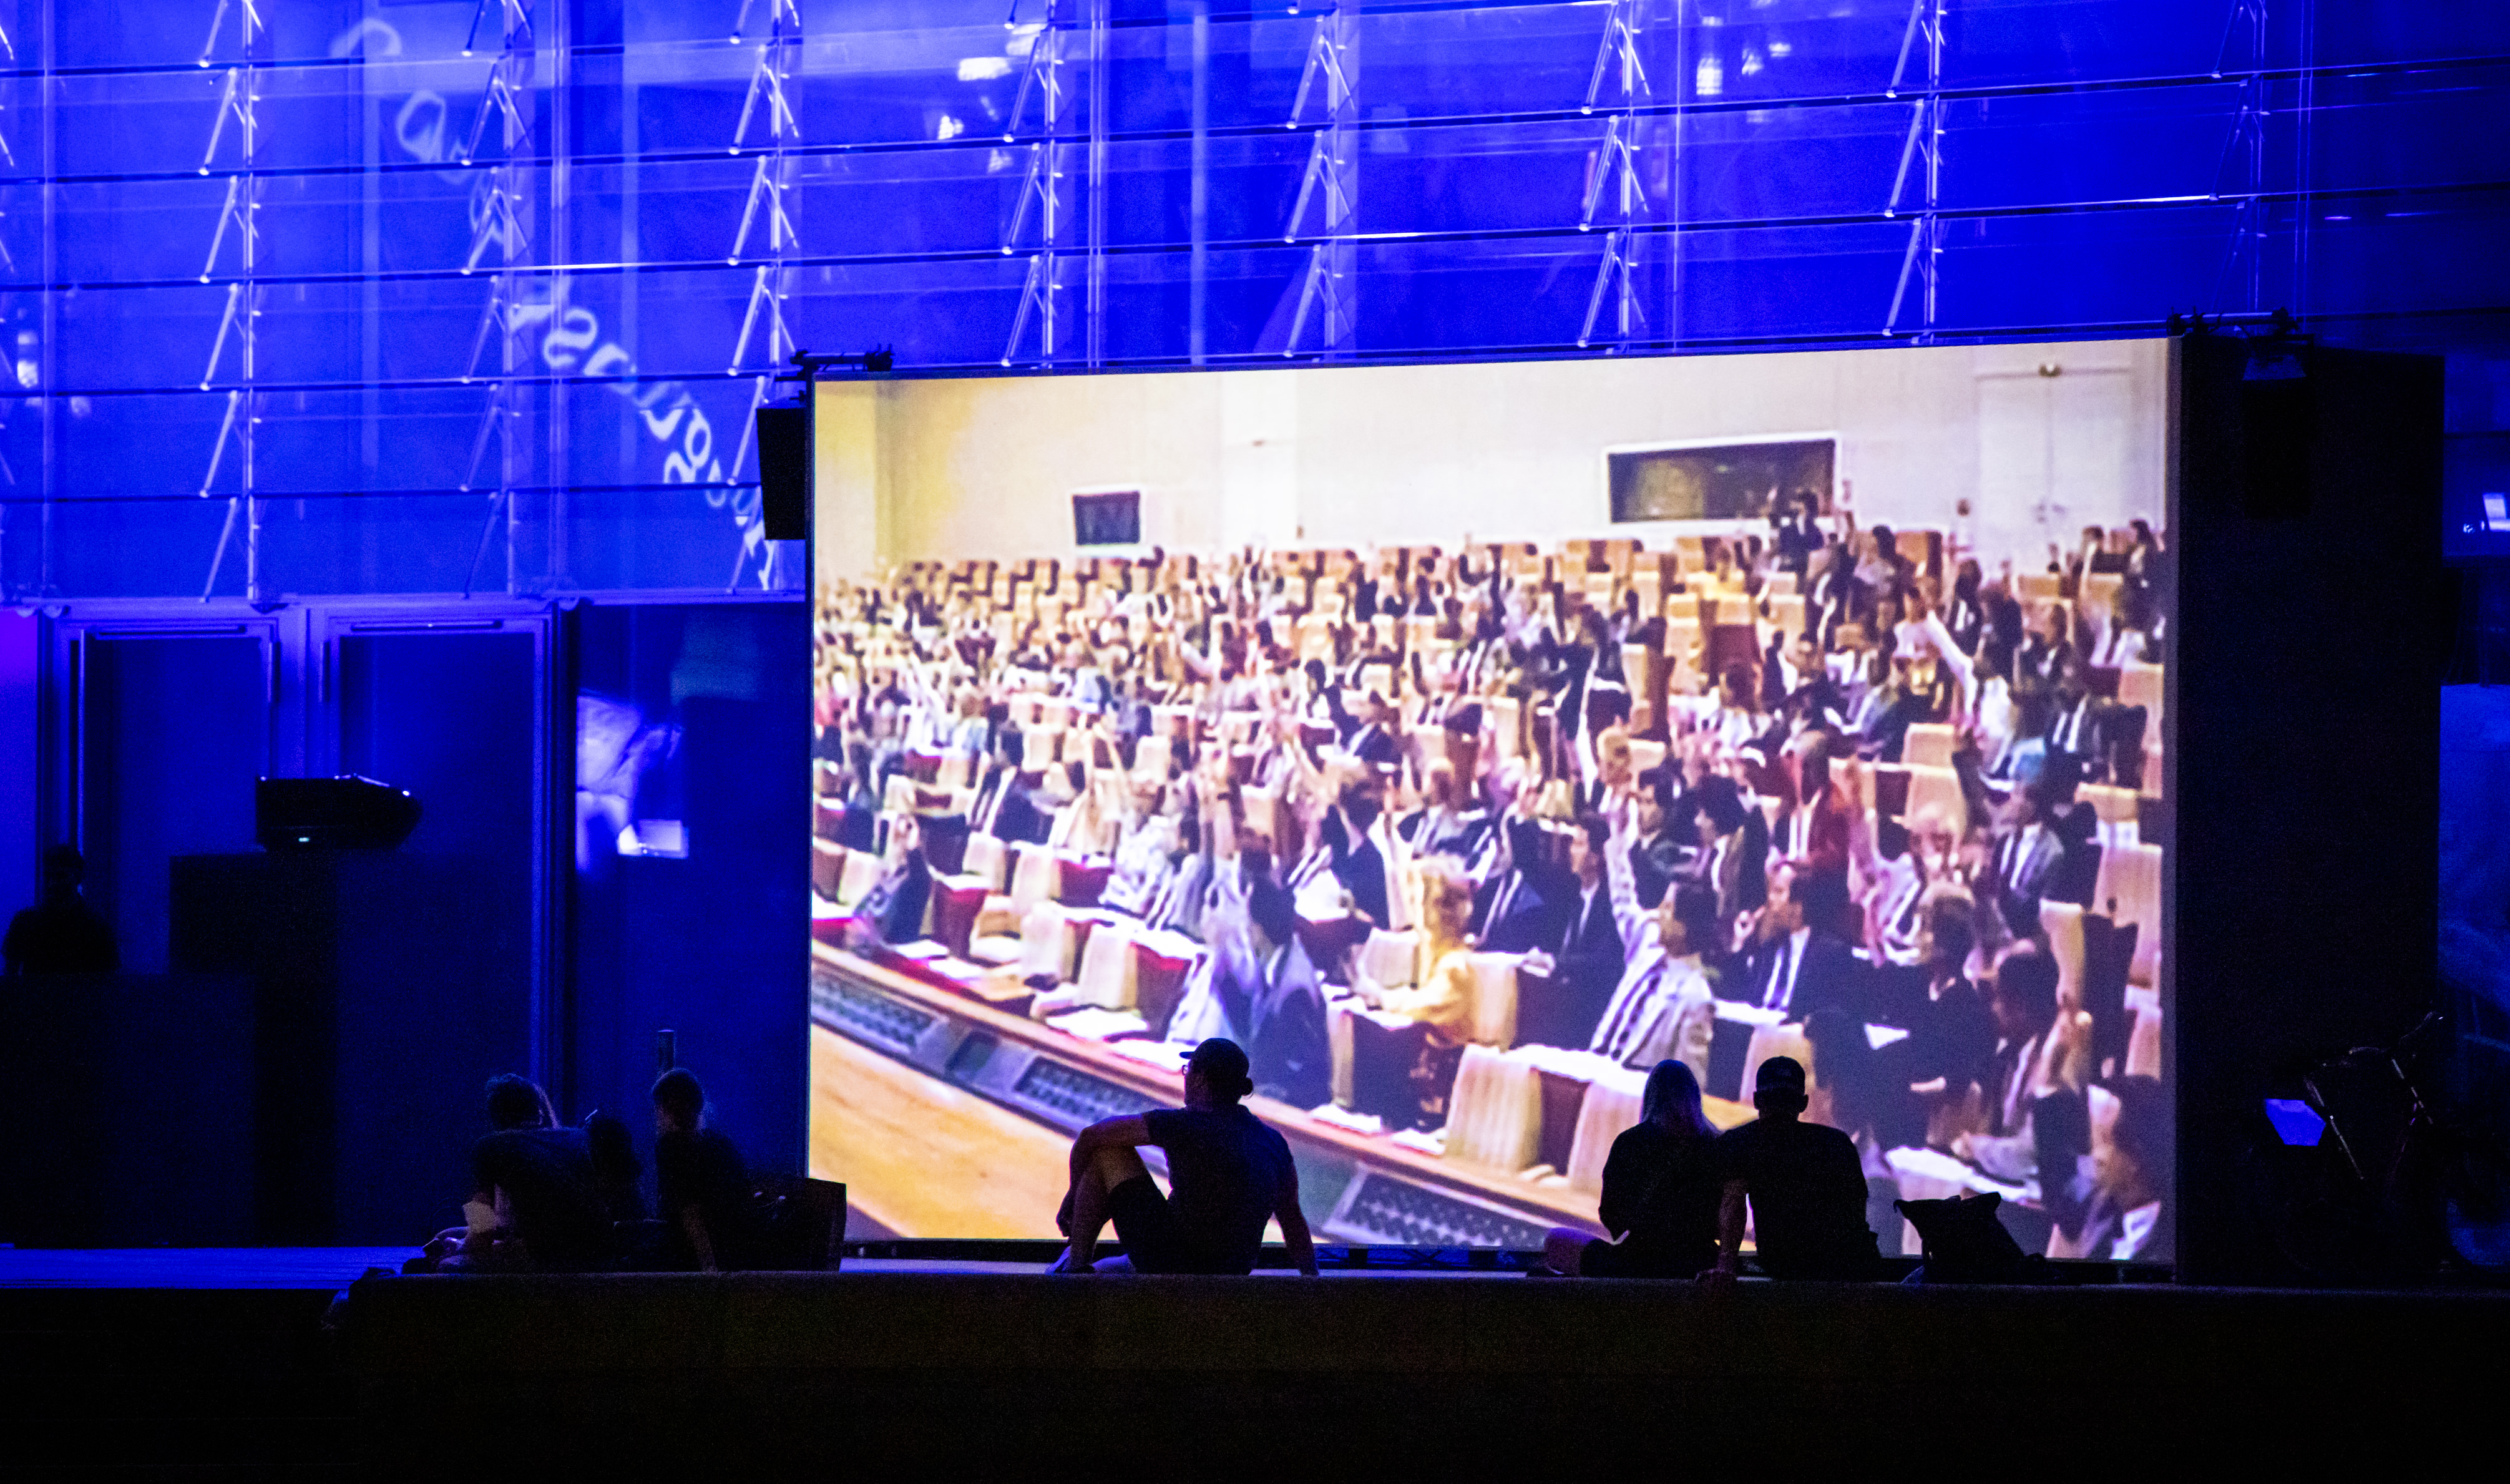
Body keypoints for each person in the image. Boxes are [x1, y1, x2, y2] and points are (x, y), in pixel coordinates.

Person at [1049, 1038, 1319, 1276]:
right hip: (1233, 1273)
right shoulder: (1274, 1141)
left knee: (1107, 1152)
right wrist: (1314, 1282)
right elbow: (1293, 1221)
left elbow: (1091, 1137)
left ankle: (1076, 1269)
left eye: (1188, 1070)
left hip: (1170, 1263)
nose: (1186, 1077)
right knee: (1114, 1266)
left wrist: (1073, 1197)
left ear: (1200, 1079)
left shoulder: (1182, 1124)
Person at [1704, 1056, 1878, 1283]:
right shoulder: (1837, 1144)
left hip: (1786, 1271)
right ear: (1803, 1103)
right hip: (1847, 1274)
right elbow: (1856, 1213)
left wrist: (1725, 1268)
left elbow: (1733, 1205)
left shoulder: (1741, 1142)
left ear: (1756, 1100)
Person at [1542, 1060, 1724, 1277]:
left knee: (1556, 1240)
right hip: (1700, 1263)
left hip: (1638, 1261)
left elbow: (1610, 1214)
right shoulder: (1717, 1145)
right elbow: (1725, 1220)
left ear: (1652, 1096)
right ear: (1695, 1096)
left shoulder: (1630, 1142)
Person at [449, 1074, 613, 1272]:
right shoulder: (579, 1138)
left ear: (494, 1116)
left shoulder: (488, 1147)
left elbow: (481, 1236)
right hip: (602, 1254)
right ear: (539, 1111)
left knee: (446, 1265)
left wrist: (457, 1248)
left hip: (549, 1260)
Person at [653, 1068, 753, 1272]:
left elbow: (691, 1214)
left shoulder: (671, 1148)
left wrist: (709, 1271)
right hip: (732, 1256)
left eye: (662, 1108)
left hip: (699, 1260)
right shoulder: (722, 1146)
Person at [3, 844, 118, 975]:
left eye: (60, 876)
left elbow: (10, 975)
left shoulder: (24, 922)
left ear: (78, 877)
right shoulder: (97, 926)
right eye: (48, 876)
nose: (52, 883)